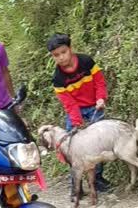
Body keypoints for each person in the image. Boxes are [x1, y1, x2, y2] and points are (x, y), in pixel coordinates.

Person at [46, 33, 110, 199]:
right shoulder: (58, 79)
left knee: (98, 145)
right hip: (76, 111)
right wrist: (77, 124)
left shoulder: (86, 62)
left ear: (70, 49)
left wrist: (101, 98)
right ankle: (76, 186)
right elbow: (69, 104)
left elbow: (99, 82)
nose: (61, 57)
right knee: (73, 149)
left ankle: (97, 179)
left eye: (63, 52)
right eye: (56, 55)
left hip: (94, 106)